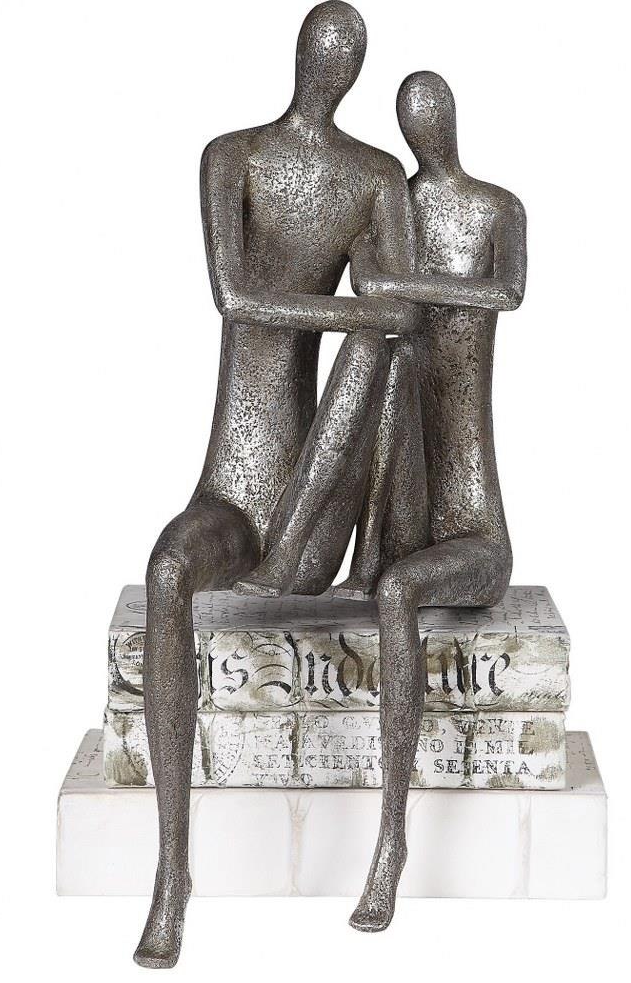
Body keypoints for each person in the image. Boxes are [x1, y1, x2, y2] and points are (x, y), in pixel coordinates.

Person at [135, 1, 422, 969]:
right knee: (168, 569)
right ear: (304, 56)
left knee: (378, 347)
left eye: (344, 58)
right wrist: (357, 309)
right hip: (233, 489)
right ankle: (171, 873)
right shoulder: (234, 160)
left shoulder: (374, 178)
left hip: (314, 497)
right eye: (325, 52)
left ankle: (377, 845)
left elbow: (401, 324)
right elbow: (234, 296)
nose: (330, 68)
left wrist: (370, 315)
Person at [238, 70, 527, 933]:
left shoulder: (495, 209)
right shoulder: (389, 204)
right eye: (409, 115)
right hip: (400, 508)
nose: (421, 125)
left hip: (469, 525)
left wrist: (405, 288)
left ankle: (390, 843)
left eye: (429, 111)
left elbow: (508, 292)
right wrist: (382, 300)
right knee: (379, 349)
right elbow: (369, 299)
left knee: (400, 592)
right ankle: (302, 544)